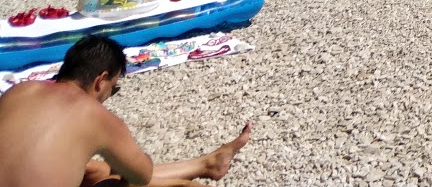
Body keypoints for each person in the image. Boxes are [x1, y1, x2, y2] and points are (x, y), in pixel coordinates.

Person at [0, 34, 251, 187]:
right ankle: (192, 178)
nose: (109, 96)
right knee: (118, 180)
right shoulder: (97, 116)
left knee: (93, 170)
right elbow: (141, 176)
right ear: (101, 80)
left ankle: (206, 164)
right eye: (114, 88)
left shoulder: (20, 91)